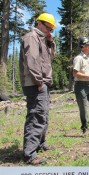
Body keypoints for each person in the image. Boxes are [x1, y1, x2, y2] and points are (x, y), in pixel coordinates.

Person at [19, 12, 56, 165]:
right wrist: (39, 82)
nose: (50, 32)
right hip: (35, 83)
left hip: (42, 82)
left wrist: (50, 42)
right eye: (48, 28)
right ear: (39, 23)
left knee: (43, 114)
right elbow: (32, 61)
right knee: (36, 116)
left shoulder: (42, 39)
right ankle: (30, 154)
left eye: (52, 30)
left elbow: (50, 58)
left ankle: (40, 143)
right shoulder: (32, 37)